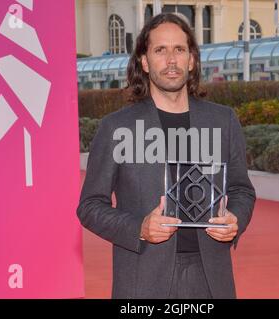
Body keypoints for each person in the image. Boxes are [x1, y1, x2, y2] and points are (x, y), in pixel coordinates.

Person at [77, 13, 256, 299]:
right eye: (160, 50)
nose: (171, 60)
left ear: (192, 60)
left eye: (179, 50)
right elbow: (89, 206)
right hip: (143, 278)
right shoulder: (117, 127)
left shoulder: (222, 121)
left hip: (211, 278)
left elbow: (240, 190)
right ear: (145, 62)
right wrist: (139, 228)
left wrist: (234, 219)